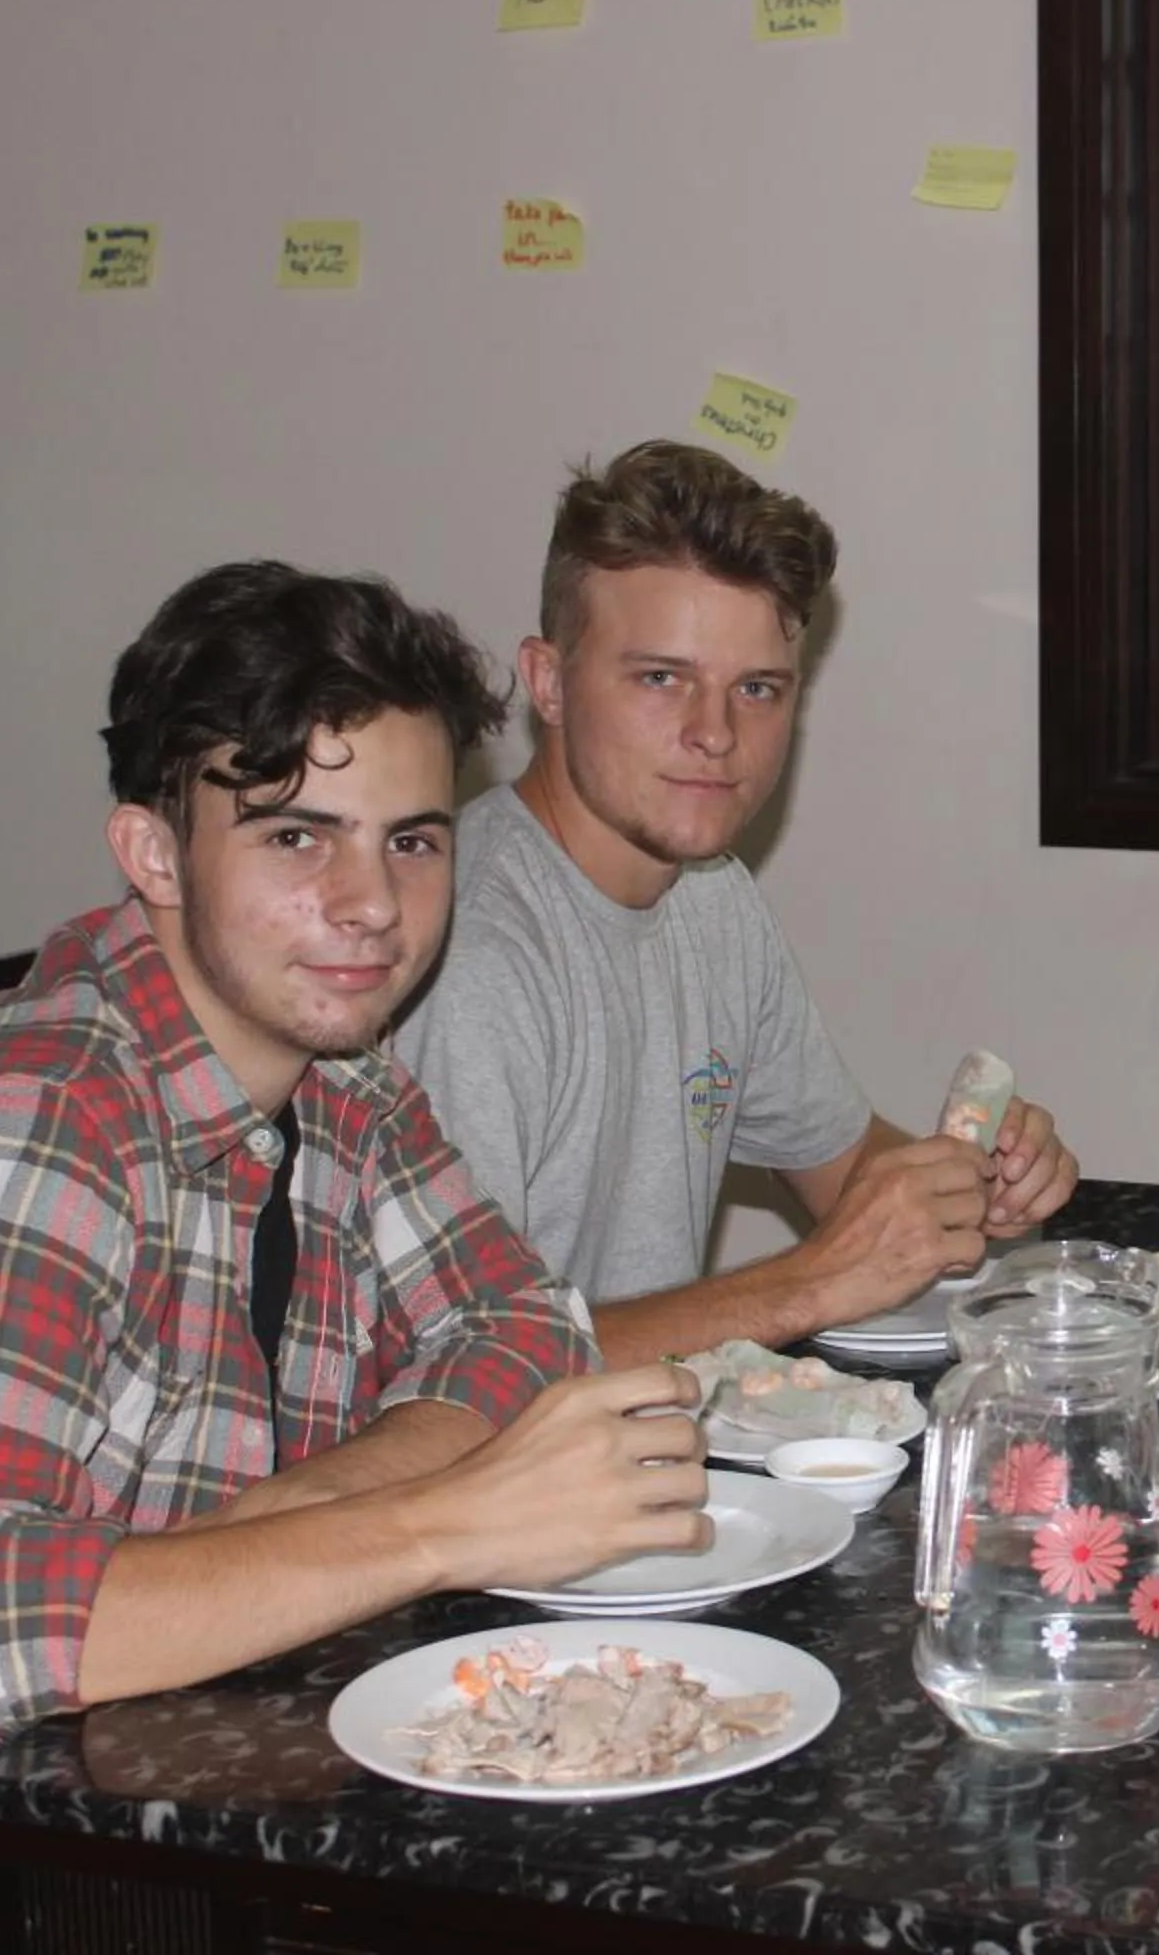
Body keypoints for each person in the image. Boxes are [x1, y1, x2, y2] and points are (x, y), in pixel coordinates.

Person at [0, 564, 711, 1951]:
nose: (371, 904)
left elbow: (518, 1328)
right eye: (292, 839)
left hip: (139, 1827)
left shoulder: (341, 1079)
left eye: (413, 841)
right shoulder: (35, 1122)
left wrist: (267, 1533)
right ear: (153, 854)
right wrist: (452, 1522)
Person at [394, 442, 1079, 1370]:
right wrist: (808, 1282)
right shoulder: (470, 952)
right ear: (548, 682)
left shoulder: (712, 896)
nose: (715, 734)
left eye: (756, 690)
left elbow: (843, 1171)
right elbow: (462, 1366)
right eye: (661, 678)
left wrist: (968, 1181)